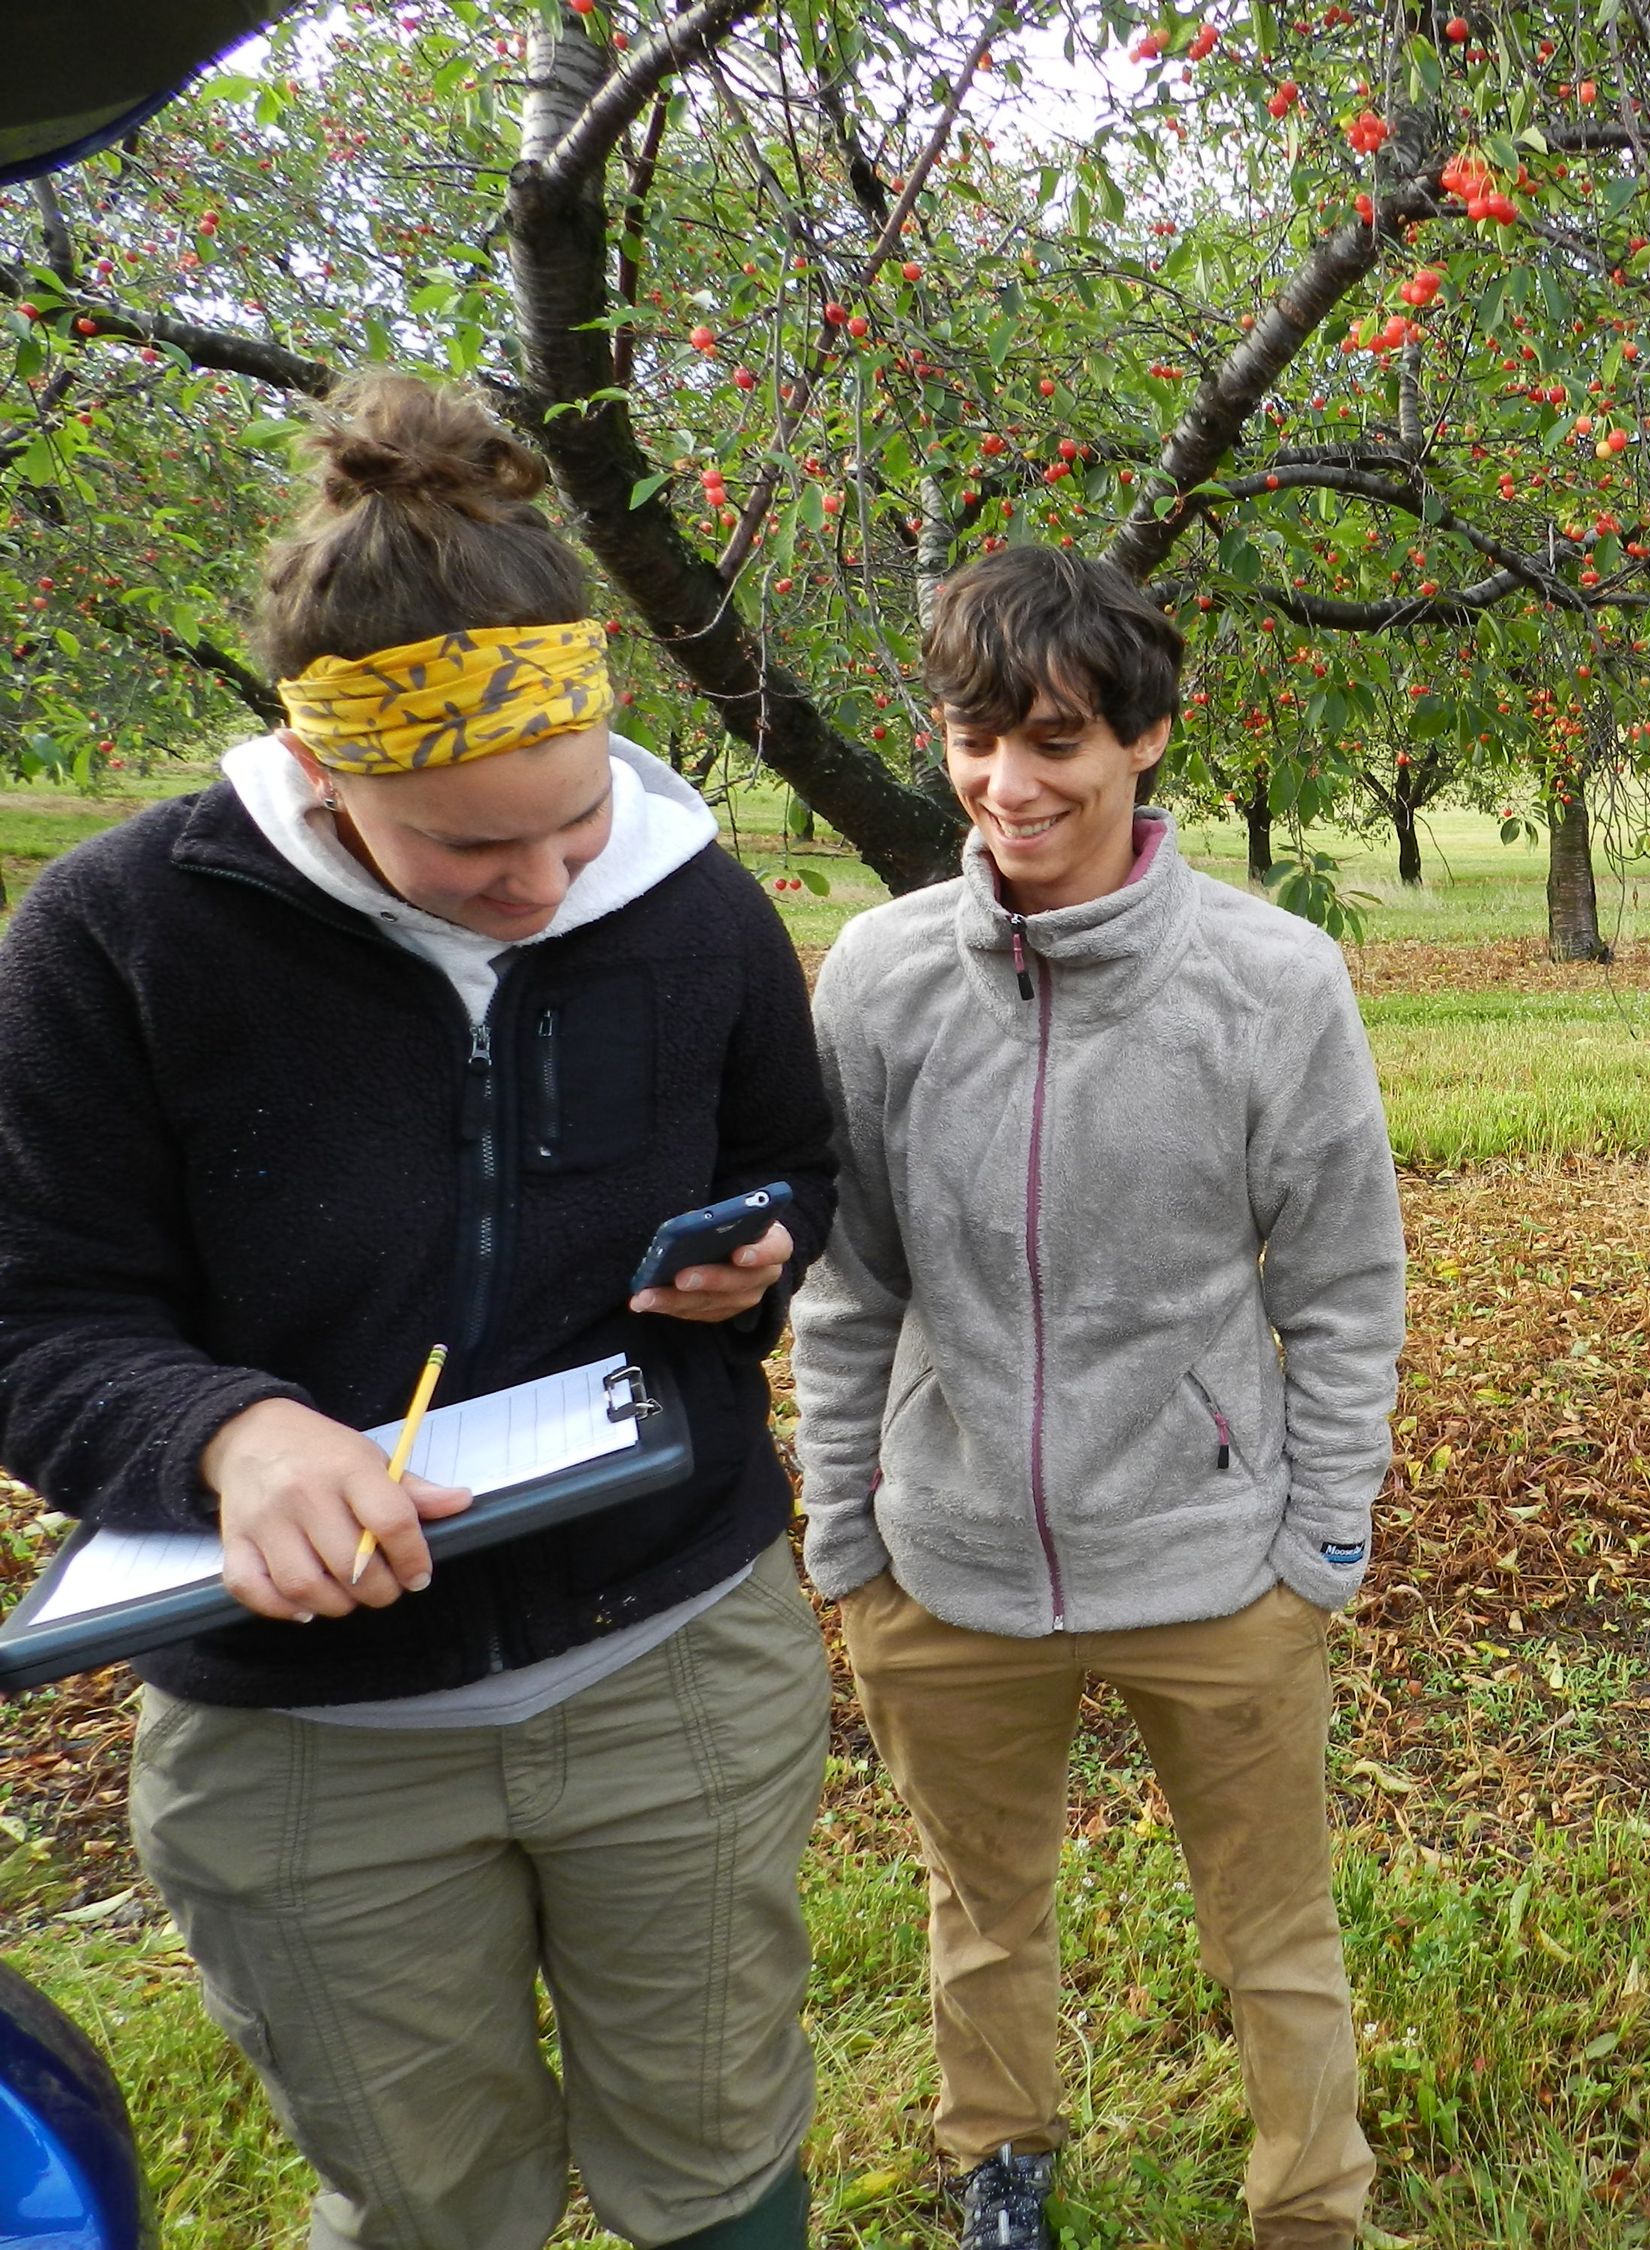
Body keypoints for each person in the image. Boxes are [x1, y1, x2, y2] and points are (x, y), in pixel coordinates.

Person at [0, 374, 836, 2250]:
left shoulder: (690, 907)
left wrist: (753, 1261)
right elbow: (36, 1313)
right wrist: (229, 1432)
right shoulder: (117, 942)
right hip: (313, 1739)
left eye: (576, 821)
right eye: (474, 850)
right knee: (424, 2204)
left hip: (672, 1658)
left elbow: (802, 1164)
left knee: (717, 2158)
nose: (545, 884)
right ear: (321, 777)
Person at [791, 546, 1404, 2250]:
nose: (1010, 781)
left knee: (1273, 1931)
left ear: (1146, 737)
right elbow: (853, 1285)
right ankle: (1005, 2163)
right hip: (952, 1561)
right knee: (981, 1913)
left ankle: (1310, 2206)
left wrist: (1321, 1543)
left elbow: (1344, 1288)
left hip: (1219, 1568)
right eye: (977, 735)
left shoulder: (1274, 983)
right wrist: (847, 1535)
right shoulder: (882, 975)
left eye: (1055, 737)